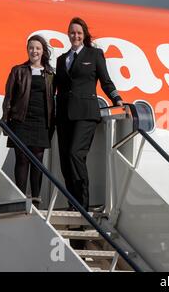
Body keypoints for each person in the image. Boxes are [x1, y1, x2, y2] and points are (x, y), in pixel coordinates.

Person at [54, 17, 123, 211]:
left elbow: (105, 81)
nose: (75, 35)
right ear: (68, 34)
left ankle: (82, 204)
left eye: (78, 33)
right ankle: (72, 204)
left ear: (84, 35)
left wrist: (116, 99)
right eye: (72, 32)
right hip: (64, 116)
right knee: (65, 161)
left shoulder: (94, 54)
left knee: (76, 154)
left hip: (85, 114)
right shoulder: (62, 59)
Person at [2, 35, 55, 208]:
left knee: (38, 160)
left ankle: (36, 198)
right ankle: (20, 197)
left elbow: (52, 99)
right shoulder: (18, 70)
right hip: (21, 120)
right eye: (31, 48)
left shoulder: (49, 73)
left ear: (43, 51)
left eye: (38, 48)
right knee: (22, 159)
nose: (34, 51)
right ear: (27, 50)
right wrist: (5, 120)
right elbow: (9, 98)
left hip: (41, 121)